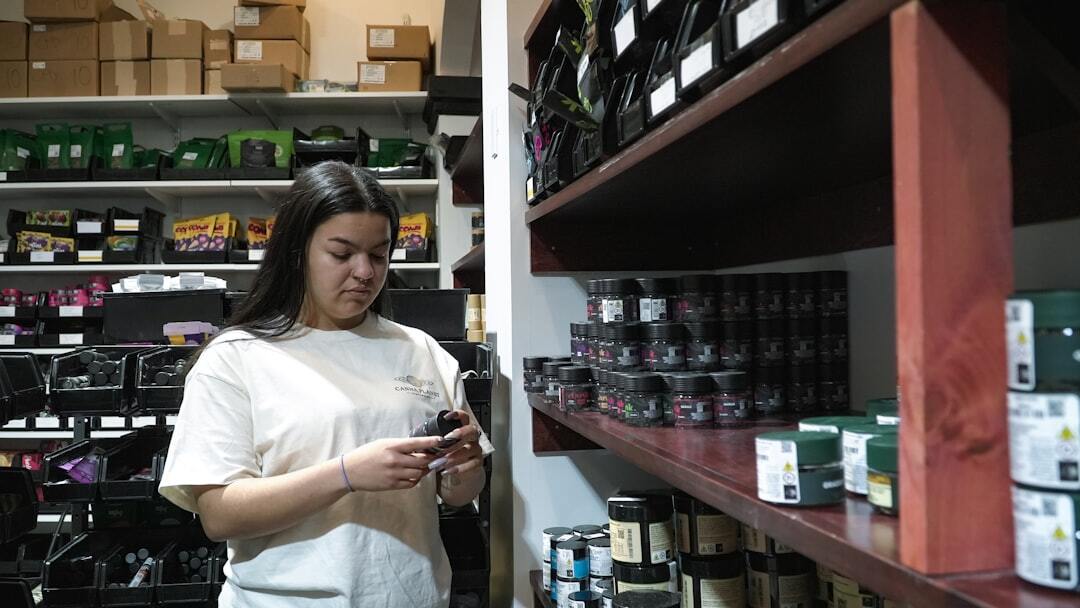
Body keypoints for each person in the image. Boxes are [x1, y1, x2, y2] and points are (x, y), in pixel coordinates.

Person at [158, 161, 493, 608]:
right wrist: (346, 474)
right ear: (297, 252)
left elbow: (455, 495)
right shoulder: (235, 358)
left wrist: (464, 470)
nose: (365, 272)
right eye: (342, 253)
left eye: (378, 254)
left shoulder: (422, 351)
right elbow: (219, 515)